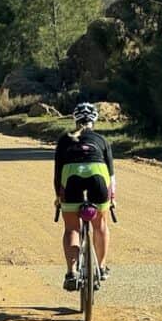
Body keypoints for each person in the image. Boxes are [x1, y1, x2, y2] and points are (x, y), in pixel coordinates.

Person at [54, 102, 115, 291]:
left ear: (75, 119)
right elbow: (111, 175)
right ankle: (102, 267)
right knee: (101, 225)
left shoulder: (65, 140)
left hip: (71, 178)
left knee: (72, 228)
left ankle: (72, 272)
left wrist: (58, 197)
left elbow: (57, 174)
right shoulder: (101, 140)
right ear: (94, 121)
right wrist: (112, 198)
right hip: (98, 176)